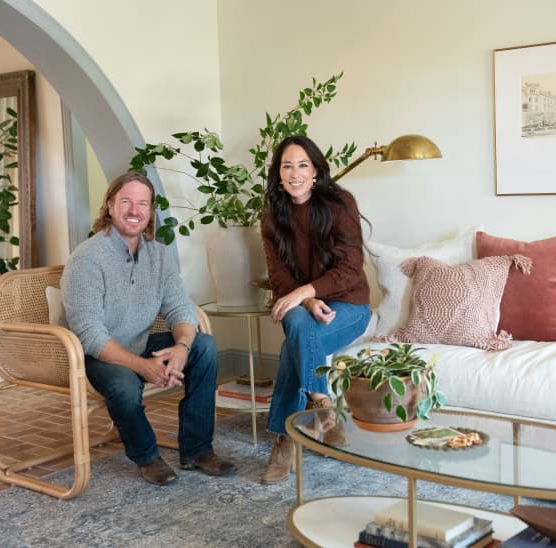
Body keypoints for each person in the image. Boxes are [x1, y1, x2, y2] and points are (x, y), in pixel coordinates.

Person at [61, 171, 236, 486]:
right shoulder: (86, 259)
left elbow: (180, 308)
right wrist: (143, 366)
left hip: (140, 341)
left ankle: (196, 450)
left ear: (151, 212)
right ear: (110, 206)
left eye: (142, 203)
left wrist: (182, 347)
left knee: (204, 346)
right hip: (96, 354)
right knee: (125, 386)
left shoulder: (158, 254)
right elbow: (90, 333)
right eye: (126, 201)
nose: (134, 210)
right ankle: (146, 456)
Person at [260, 135, 372, 484]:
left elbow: (351, 269)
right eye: (287, 166)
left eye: (303, 165)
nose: (295, 173)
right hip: (306, 308)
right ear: (278, 174)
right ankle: (321, 402)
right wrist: (306, 300)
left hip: (350, 305)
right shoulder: (272, 217)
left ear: (316, 170)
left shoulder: (340, 204)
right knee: (297, 321)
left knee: (294, 336)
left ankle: (283, 439)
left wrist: (306, 291)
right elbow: (280, 278)